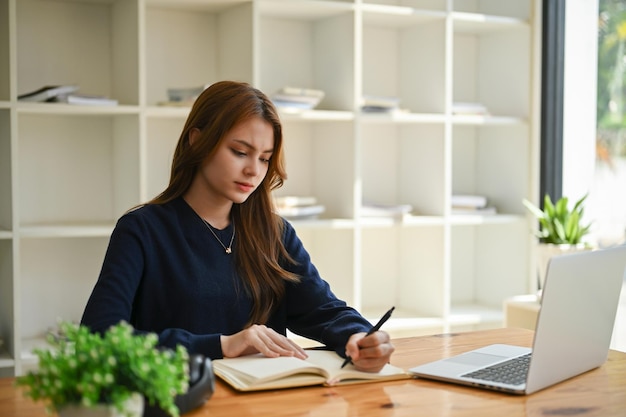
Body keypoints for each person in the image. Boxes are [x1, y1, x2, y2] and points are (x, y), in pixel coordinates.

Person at [81, 80, 394, 372]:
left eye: (264, 158)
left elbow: (323, 310)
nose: (252, 171)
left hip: (262, 403)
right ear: (197, 141)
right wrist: (223, 345)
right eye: (240, 152)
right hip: (177, 402)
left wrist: (360, 336)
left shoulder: (274, 233)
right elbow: (98, 338)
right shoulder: (142, 230)